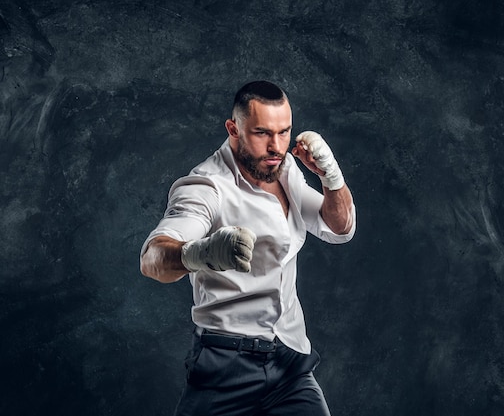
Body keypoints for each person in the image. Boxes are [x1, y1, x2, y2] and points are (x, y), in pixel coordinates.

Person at [140, 80, 356, 415]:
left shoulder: (285, 170)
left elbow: (339, 226)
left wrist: (331, 178)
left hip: (289, 363)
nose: (276, 146)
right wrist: (201, 253)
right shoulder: (206, 186)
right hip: (225, 365)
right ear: (234, 128)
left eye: (284, 132)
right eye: (262, 133)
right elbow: (152, 258)